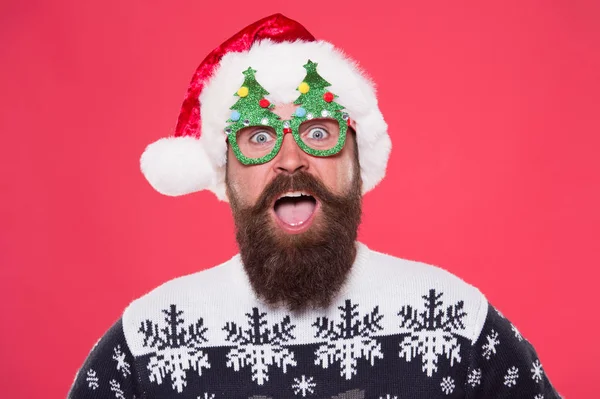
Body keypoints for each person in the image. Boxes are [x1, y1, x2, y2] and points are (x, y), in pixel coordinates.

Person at [69, 13, 560, 399]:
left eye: (318, 132)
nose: (290, 160)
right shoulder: (148, 340)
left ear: (357, 160)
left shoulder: (455, 323)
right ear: (226, 173)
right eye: (259, 137)